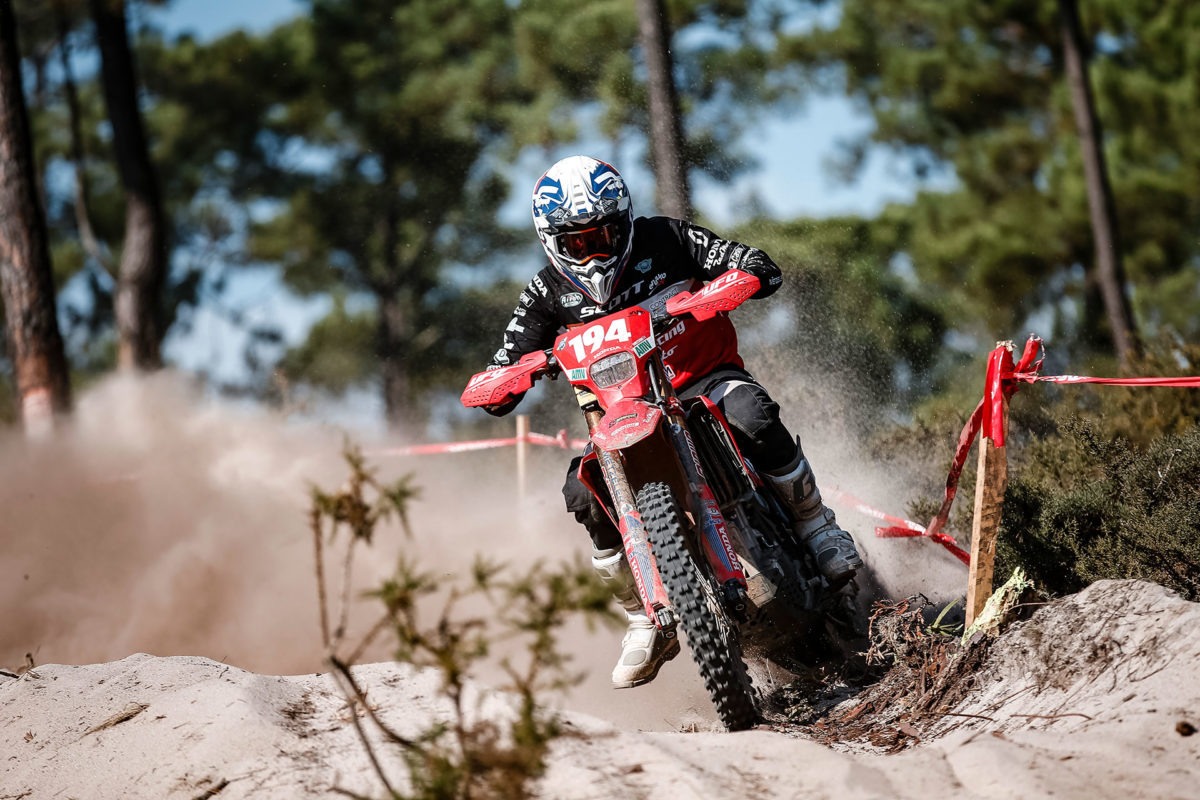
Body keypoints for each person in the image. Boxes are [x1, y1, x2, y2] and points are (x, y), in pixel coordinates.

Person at [480, 155, 862, 688]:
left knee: (750, 412)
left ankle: (817, 527)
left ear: (624, 222)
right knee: (583, 494)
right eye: (579, 243)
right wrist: (503, 379)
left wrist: (733, 281)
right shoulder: (546, 292)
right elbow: (501, 374)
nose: (595, 252)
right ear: (553, 242)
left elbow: (756, 264)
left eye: (604, 236)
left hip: (703, 382)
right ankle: (642, 615)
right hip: (620, 413)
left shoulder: (666, 238)